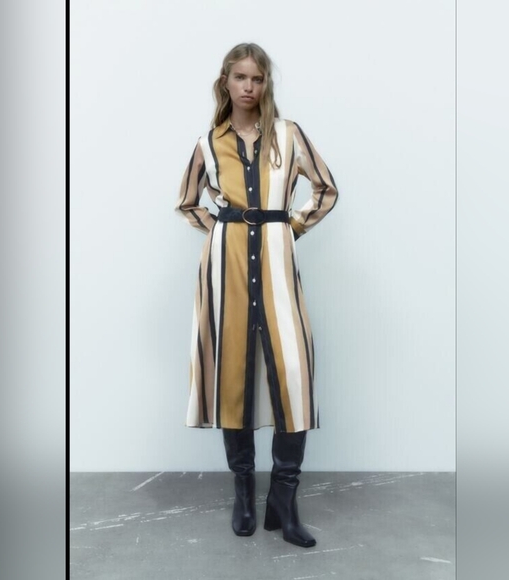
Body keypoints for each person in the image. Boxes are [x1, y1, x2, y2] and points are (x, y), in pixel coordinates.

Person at [175, 42, 338, 548]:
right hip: (224, 270)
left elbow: (325, 189)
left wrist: (290, 228)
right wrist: (221, 231)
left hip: (277, 265)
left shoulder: (289, 136)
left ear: (266, 84)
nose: (249, 86)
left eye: (258, 78)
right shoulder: (208, 143)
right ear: (225, 82)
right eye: (240, 77)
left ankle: (283, 501)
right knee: (233, 374)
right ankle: (244, 493)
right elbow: (187, 202)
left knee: (293, 372)